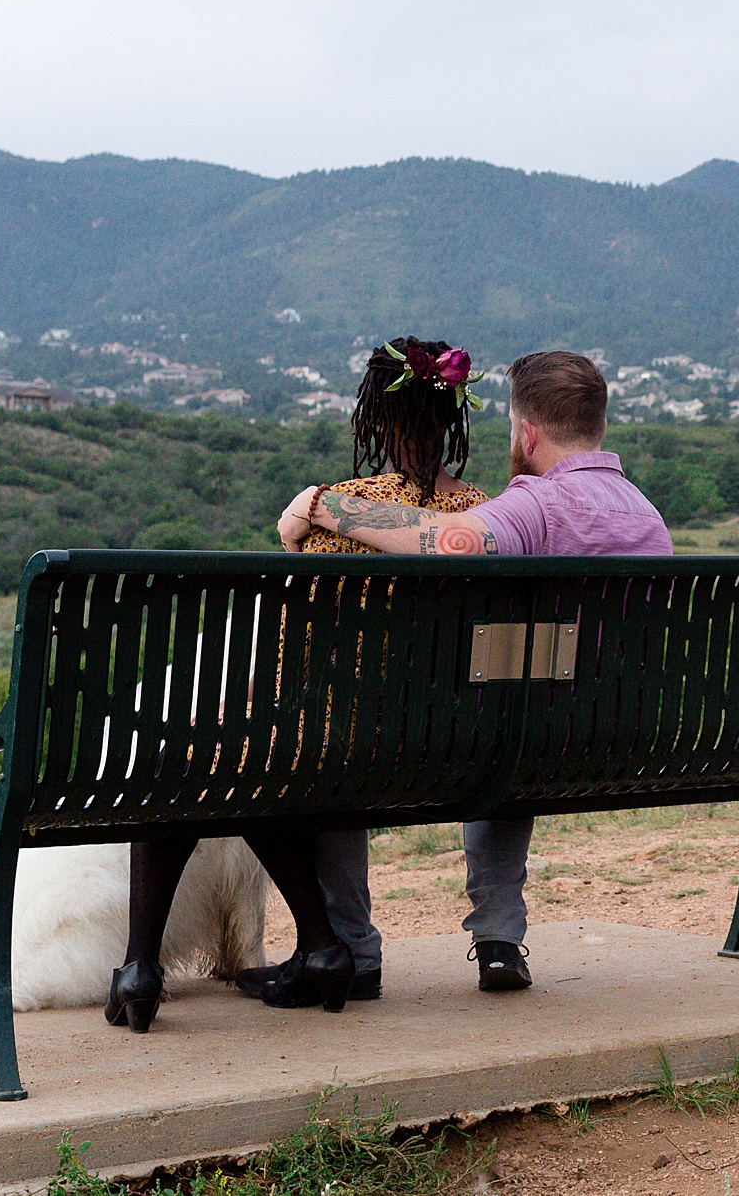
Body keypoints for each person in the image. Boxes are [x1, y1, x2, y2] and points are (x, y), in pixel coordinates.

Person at [108, 336, 490, 1031]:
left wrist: (304, 518)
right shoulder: (489, 516)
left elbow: (295, 651)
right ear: (456, 419)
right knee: (245, 755)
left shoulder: (339, 511)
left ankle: (146, 966)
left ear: (374, 422)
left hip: (349, 751)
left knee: (198, 760)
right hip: (447, 749)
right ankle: (319, 947)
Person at [271, 348, 671, 994]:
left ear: (526, 432)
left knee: (350, 733)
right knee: (518, 706)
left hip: (503, 745)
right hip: (611, 740)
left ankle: (352, 945)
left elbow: (451, 539)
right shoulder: (647, 518)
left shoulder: (536, 505)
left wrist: (324, 506)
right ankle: (499, 938)